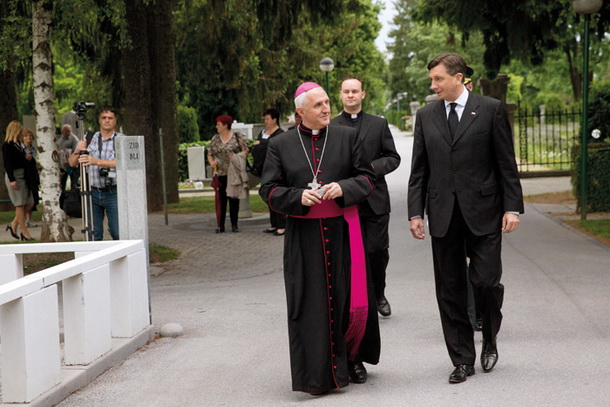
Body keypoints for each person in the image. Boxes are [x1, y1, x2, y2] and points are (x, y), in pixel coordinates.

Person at [407, 53, 524, 384]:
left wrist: (512, 207)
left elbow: (506, 163)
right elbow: (419, 170)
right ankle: (461, 358)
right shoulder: (426, 116)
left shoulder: (490, 110)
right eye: (432, 80)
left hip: (485, 212)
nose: (433, 85)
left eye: (438, 79)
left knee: (485, 282)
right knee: (450, 289)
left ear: (458, 78)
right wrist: (416, 212)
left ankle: (489, 334)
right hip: (443, 213)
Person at [259, 82, 379, 394]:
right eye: (318, 105)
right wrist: (297, 196)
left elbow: (368, 178)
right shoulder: (281, 145)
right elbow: (268, 189)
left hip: (343, 232)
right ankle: (315, 374)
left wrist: (345, 188)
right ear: (301, 112)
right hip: (304, 237)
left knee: (349, 299)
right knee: (309, 305)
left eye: (327, 102)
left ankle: (352, 360)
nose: (327, 108)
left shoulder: (347, 136)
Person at [331, 77, 401, 318]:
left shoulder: (379, 124)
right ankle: (353, 299)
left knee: (376, 250)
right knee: (347, 253)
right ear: (340, 95)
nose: (350, 95)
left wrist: (371, 167)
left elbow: (393, 158)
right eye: (346, 91)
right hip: (344, 200)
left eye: (355, 91)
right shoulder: (331, 126)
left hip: (375, 199)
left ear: (363, 94)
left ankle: (378, 293)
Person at [69, 106, 122, 241]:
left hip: (113, 192)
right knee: (94, 233)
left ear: (115, 120)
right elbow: (72, 163)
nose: (107, 121)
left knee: (117, 232)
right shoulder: (89, 137)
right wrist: (77, 151)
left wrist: (96, 162)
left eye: (110, 118)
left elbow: (123, 164)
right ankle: (97, 261)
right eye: (104, 118)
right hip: (92, 192)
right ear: (99, 120)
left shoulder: (121, 140)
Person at [207, 115, 249, 233]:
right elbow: (209, 153)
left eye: (219, 124)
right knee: (221, 200)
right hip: (220, 173)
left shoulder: (237, 137)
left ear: (226, 125)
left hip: (233, 173)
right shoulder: (215, 138)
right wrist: (212, 162)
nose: (217, 127)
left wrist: (237, 157)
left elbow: (246, 150)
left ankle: (234, 224)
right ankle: (220, 225)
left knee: (234, 198)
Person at [252, 108, 285, 235]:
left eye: (267, 119)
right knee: (268, 196)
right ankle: (274, 223)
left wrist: (261, 145)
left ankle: (282, 224)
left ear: (274, 120)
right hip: (264, 169)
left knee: (277, 195)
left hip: (276, 170)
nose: (265, 121)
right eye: (264, 119)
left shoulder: (280, 133)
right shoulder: (263, 132)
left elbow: (275, 149)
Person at [2, 121, 35, 241]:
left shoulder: (18, 144)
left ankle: (14, 224)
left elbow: (19, 159)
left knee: (30, 202)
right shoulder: (8, 145)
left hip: (23, 175)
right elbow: (8, 163)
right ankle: (24, 231)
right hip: (15, 176)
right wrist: (12, 179)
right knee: (20, 204)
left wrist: (26, 158)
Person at [22, 129, 40, 228]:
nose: (28, 138)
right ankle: (22, 219)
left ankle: (29, 219)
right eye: (26, 136)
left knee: (33, 196)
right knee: (25, 198)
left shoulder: (33, 148)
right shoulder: (21, 149)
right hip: (25, 174)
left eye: (30, 136)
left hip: (33, 173)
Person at [57, 124, 80, 191]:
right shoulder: (61, 139)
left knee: (73, 182)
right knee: (62, 182)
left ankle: (73, 195)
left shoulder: (74, 139)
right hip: (62, 165)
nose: (62, 133)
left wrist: (66, 152)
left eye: (64, 131)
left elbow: (75, 151)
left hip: (71, 165)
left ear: (68, 131)